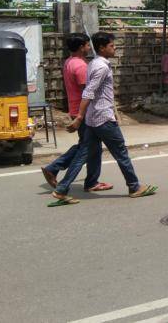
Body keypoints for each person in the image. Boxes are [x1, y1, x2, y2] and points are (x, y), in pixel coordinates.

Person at [52, 32, 157, 205]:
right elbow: (88, 91)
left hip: (93, 119)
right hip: (103, 118)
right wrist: (79, 116)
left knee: (83, 154)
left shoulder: (93, 63)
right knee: (121, 152)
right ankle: (134, 187)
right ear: (101, 48)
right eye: (112, 46)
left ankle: (62, 189)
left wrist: (83, 116)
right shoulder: (101, 67)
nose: (114, 48)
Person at [41, 34, 112, 192]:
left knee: (92, 147)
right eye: (87, 45)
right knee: (86, 147)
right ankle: (55, 168)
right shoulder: (80, 66)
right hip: (84, 111)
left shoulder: (69, 62)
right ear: (81, 47)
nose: (89, 48)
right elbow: (88, 92)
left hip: (75, 108)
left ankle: (91, 181)